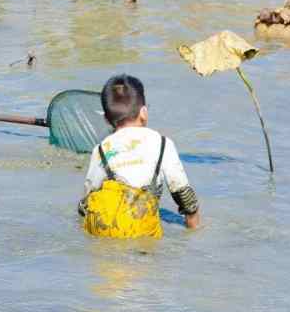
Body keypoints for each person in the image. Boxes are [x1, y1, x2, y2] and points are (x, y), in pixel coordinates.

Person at [79, 74, 200, 239]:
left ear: (106, 120)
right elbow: (183, 193)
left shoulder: (101, 149)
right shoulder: (162, 143)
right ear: (144, 112)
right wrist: (193, 226)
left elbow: (89, 196)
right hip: (142, 225)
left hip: (106, 227)